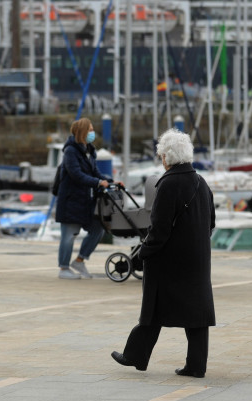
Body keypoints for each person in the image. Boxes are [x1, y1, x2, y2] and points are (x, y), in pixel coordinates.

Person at [112, 128, 216, 378]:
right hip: (198, 260)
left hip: (169, 260)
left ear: (167, 157)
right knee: (197, 314)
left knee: (154, 308)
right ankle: (196, 365)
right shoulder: (202, 183)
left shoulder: (168, 184)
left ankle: (135, 355)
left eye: (161, 155)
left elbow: (159, 229)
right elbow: (211, 222)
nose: (161, 159)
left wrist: (142, 253)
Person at [55, 117, 114, 280]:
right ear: (82, 132)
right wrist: (97, 182)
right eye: (90, 130)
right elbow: (76, 175)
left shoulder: (89, 150)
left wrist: (109, 182)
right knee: (69, 235)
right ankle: (64, 268)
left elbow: (95, 172)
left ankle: (80, 260)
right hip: (70, 201)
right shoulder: (70, 151)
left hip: (85, 201)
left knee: (98, 228)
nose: (92, 132)